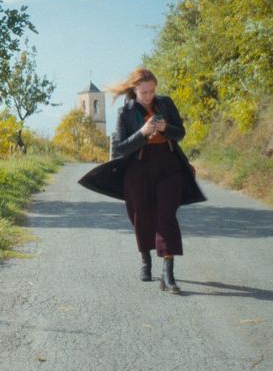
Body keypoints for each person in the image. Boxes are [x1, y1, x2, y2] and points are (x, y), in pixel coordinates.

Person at [78, 68, 205, 294]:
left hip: (169, 166)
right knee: (141, 216)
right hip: (138, 168)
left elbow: (180, 133)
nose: (149, 96)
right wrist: (142, 133)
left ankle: (168, 274)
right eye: (144, 92)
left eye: (152, 91)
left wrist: (166, 128)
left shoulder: (165, 104)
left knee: (167, 216)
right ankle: (146, 259)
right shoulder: (125, 112)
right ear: (135, 90)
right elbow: (120, 147)